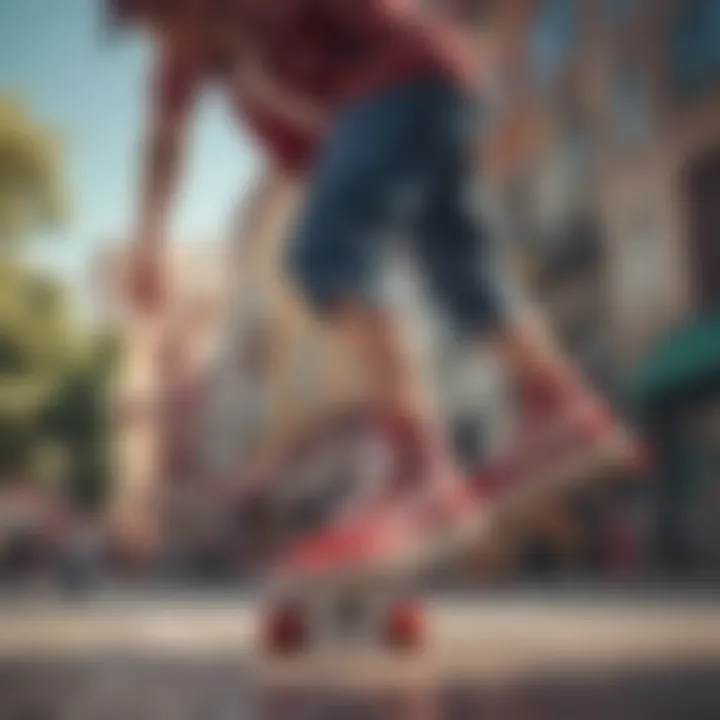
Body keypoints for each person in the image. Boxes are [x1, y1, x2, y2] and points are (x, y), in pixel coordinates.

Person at [113, 0, 640, 585]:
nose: (170, 40)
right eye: (152, 30)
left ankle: (419, 472)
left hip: (407, 78)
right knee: (456, 265)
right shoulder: (187, 62)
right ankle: (559, 407)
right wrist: (149, 237)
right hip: (415, 105)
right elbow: (163, 139)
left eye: (170, 19)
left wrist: (481, 41)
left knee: (325, 248)